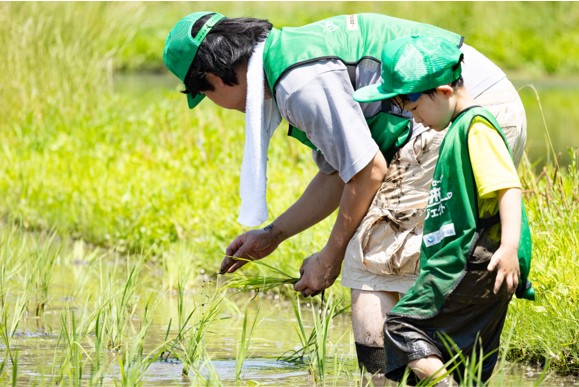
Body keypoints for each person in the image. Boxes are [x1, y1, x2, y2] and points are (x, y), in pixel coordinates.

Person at [163, 11, 528, 374]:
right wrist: (274, 234)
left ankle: (394, 380)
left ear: (212, 79)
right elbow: (342, 172)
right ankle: (436, 368)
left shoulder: (299, 82)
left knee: (367, 262)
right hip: (474, 102)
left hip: (458, 109)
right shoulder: (288, 57)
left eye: (205, 96)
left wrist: (329, 257)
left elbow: (367, 172)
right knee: (409, 258)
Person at [353, 35, 534, 384]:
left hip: (478, 262)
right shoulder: (458, 131)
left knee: (401, 327)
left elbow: (507, 188)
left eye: (415, 108)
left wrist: (510, 247)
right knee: (461, 354)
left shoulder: (475, 128)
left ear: (444, 92)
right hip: (481, 266)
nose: (416, 120)